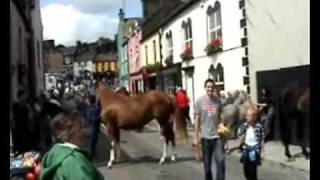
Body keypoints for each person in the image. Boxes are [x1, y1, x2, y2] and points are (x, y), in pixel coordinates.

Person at [40, 111, 104, 180]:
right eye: (80, 127)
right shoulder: (74, 160)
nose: (83, 132)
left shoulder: (52, 156)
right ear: (70, 131)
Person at [193, 78, 225, 180]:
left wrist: (223, 132)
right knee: (207, 165)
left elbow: (220, 118)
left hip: (217, 137)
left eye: (211, 87)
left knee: (220, 161)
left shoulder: (218, 101)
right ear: (205, 88)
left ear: (214, 88)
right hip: (205, 137)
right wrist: (196, 136)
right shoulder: (199, 101)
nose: (210, 89)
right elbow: (197, 119)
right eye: (208, 87)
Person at [238, 107, 265, 180]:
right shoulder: (243, 126)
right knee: (246, 169)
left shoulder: (259, 127)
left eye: (250, 116)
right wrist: (241, 139)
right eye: (247, 116)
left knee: (253, 169)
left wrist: (262, 151)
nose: (248, 118)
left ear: (254, 117)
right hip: (246, 149)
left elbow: (262, 139)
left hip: (255, 150)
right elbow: (240, 136)